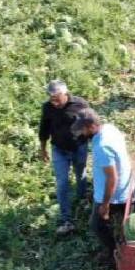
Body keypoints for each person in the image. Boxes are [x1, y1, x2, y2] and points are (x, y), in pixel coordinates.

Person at [70, 110, 132, 262]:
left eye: (82, 130)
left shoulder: (102, 146)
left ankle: (113, 253)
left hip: (116, 194)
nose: (80, 134)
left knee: (96, 225)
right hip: (125, 184)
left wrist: (105, 204)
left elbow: (112, 178)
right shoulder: (110, 128)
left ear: (91, 126)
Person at [38, 80, 91, 235]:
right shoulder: (47, 108)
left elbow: (90, 123)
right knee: (62, 183)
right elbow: (44, 129)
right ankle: (66, 219)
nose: (54, 102)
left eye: (56, 98)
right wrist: (43, 149)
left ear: (65, 93)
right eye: (51, 98)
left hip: (79, 148)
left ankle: (82, 199)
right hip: (59, 150)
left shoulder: (80, 104)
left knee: (80, 175)